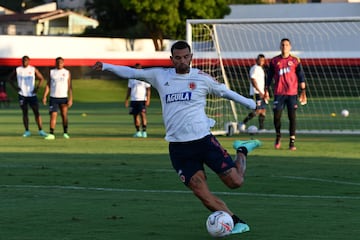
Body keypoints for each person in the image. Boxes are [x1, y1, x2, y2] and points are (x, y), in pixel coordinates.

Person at [92, 40, 262, 235]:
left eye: (185, 57)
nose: (182, 61)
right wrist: (106, 66)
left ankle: (242, 150)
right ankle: (235, 221)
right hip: (179, 149)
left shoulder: (201, 78)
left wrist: (250, 103)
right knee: (202, 194)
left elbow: (224, 92)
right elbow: (132, 72)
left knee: (235, 182)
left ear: (191, 57)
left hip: (204, 142)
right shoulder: (160, 75)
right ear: (171, 59)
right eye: (178, 58)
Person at [264, 38, 307, 150]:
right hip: (279, 93)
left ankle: (292, 142)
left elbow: (301, 76)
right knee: (276, 117)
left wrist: (303, 91)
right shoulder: (274, 61)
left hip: (292, 93)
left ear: (290, 47)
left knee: (292, 117)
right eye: (283, 45)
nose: (284, 47)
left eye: (287, 45)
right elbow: (269, 76)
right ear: (280, 46)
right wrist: (266, 89)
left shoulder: (295, 60)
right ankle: (278, 136)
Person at [8, 55, 47, 137]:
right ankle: (27, 131)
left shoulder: (32, 69)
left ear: (29, 61)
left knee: (36, 112)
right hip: (22, 94)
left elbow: (41, 78)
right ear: (21, 61)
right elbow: (10, 79)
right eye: (23, 60)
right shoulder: (18, 69)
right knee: (25, 113)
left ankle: (41, 130)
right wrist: (15, 88)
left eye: (26, 60)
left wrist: (37, 88)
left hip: (32, 95)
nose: (24, 62)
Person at [42, 57, 73, 140]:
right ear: (55, 63)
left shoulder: (66, 72)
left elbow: (70, 86)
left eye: (61, 62)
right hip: (53, 97)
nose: (59, 64)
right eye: (58, 62)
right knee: (53, 115)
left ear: (63, 63)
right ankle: (51, 133)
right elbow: (48, 85)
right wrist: (45, 96)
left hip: (63, 97)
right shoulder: (52, 72)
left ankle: (65, 132)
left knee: (64, 115)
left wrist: (71, 98)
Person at [239, 54, 268, 132]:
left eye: (263, 60)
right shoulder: (254, 68)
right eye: (260, 60)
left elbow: (263, 82)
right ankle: (242, 123)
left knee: (263, 110)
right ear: (257, 60)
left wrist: (265, 92)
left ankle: (261, 128)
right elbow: (253, 80)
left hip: (261, 93)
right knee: (257, 111)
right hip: (256, 93)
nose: (261, 61)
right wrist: (259, 91)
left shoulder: (261, 69)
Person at [124, 63, 151, 138]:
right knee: (135, 116)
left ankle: (144, 132)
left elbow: (148, 89)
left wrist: (148, 99)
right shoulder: (131, 78)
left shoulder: (144, 78)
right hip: (133, 100)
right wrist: (126, 99)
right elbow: (129, 89)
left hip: (142, 99)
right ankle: (138, 132)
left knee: (143, 115)